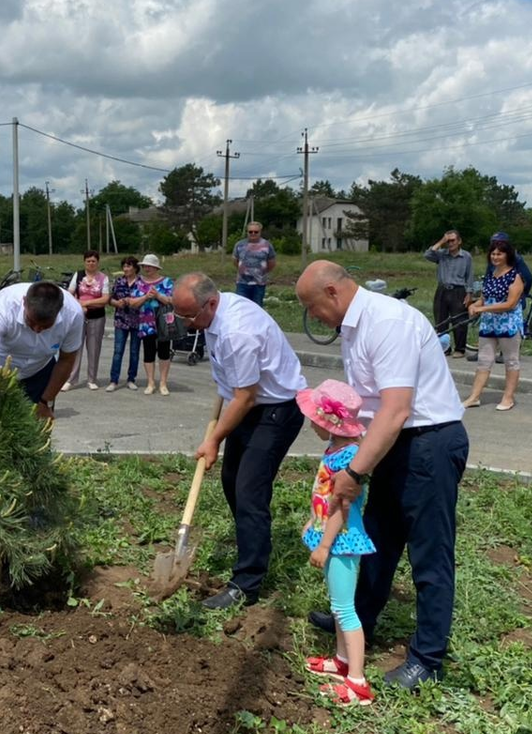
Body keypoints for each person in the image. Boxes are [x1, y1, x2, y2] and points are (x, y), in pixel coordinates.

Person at [296, 260, 469, 690]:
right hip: (389, 442)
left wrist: (353, 471)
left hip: (426, 443)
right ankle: (361, 618)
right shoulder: (353, 328)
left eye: (313, 307)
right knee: (379, 536)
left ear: (333, 292)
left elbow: (396, 409)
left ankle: (427, 659)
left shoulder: (387, 322)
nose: (312, 317)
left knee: (429, 553)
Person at [172, 272, 307, 610]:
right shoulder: (216, 317)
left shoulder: (237, 332)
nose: (185, 323)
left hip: (276, 411)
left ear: (211, 303)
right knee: (233, 481)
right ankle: (253, 541)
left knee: (249, 490)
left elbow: (246, 396)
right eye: (180, 314)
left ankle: (246, 584)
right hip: (247, 406)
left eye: (189, 316)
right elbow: (237, 392)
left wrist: (214, 439)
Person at [298, 379, 377, 707]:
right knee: (337, 605)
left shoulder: (349, 457)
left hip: (341, 542)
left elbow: (342, 508)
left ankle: (357, 683)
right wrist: (312, 521)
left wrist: (325, 545)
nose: (310, 424)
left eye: (314, 419)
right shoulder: (337, 449)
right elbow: (324, 498)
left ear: (328, 422)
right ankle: (342, 662)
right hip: (333, 537)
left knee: (345, 610)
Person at [0, 281, 83, 417]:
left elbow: (66, 360)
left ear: (59, 312)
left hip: (40, 369)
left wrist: (45, 401)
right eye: (31, 322)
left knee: (36, 428)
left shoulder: (73, 315)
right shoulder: (3, 306)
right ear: (24, 302)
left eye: (45, 327)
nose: (37, 330)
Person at [462, 236, 524, 412]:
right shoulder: (490, 274)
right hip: (489, 324)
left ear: (507, 255)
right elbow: (484, 298)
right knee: (484, 360)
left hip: (508, 324)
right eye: (493, 254)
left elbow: (510, 304)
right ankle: (474, 397)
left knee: (511, 360)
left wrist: (483, 309)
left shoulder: (515, 276)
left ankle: (508, 397)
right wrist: (475, 305)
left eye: (499, 254)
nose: (495, 257)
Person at [128, 254, 174, 396]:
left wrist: (158, 296)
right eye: (144, 266)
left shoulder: (166, 281)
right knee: (148, 352)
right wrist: (145, 297)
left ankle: (163, 383)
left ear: (156, 267)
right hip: (146, 322)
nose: (146, 268)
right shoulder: (139, 282)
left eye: (149, 266)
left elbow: (172, 300)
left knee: (164, 352)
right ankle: (150, 382)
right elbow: (132, 303)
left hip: (164, 322)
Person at [64, 251, 109, 392]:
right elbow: (69, 294)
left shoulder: (104, 278)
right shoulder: (78, 275)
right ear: (84, 262)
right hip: (79, 317)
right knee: (76, 347)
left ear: (98, 262)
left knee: (94, 348)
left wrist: (86, 302)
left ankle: (92, 379)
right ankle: (71, 379)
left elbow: (105, 299)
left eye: (93, 261)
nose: (91, 263)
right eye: (88, 261)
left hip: (97, 317)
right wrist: (79, 304)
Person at [424, 230, 472, 358]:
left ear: (459, 241)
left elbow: (469, 275)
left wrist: (469, 293)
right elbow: (428, 255)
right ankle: (445, 347)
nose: (450, 244)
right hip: (443, 289)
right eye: (448, 241)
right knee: (441, 319)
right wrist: (441, 241)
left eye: (452, 240)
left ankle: (460, 349)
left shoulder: (466, 256)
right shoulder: (441, 255)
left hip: (458, 290)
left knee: (459, 320)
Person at [106, 256, 141, 391]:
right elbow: (110, 299)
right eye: (124, 266)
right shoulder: (119, 281)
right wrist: (116, 303)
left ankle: (131, 378)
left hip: (136, 320)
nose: (126, 269)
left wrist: (133, 302)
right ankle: (113, 380)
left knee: (134, 351)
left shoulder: (141, 282)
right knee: (118, 350)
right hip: (121, 320)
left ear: (135, 268)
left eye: (128, 266)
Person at [231, 222, 277, 306]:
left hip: (259, 284)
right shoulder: (239, 245)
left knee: (257, 307)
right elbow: (235, 260)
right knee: (241, 306)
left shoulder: (267, 245)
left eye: (256, 232)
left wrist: (262, 272)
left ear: (260, 232)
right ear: (247, 232)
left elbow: (271, 262)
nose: (253, 234)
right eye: (250, 232)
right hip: (242, 283)